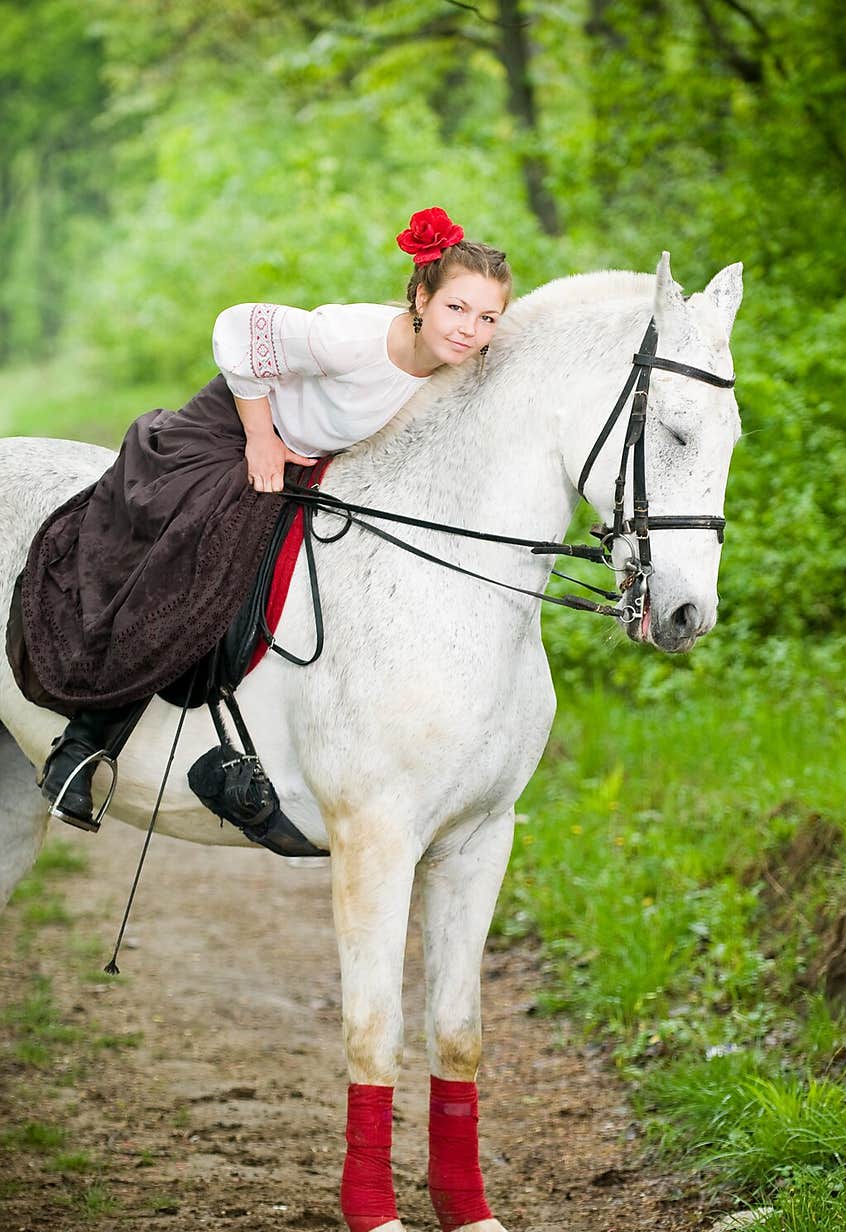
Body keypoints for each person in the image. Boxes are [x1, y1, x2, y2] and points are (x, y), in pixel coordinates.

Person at [26, 206, 512, 834]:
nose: (470, 328)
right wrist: (260, 438)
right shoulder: (351, 340)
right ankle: (86, 741)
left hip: (306, 456)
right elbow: (235, 331)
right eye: (456, 308)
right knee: (204, 547)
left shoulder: (458, 361)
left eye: (487, 317)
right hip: (235, 429)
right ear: (421, 296)